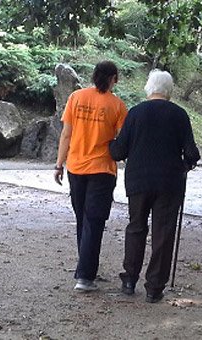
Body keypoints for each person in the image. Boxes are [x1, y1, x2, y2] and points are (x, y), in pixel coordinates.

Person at [109, 70, 200, 303]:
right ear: (169, 90)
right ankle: (154, 287)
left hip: (138, 180)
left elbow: (120, 151)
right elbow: (192, 153)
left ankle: (129, 279)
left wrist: (110, 144)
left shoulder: (136, 113)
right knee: (163, 233)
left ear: (148, 88)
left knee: (136, 227)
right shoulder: (179, 115)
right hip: (169, 183)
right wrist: (184, 166)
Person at [54, 61, 128, 292]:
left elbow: (66, 134)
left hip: (76, 167)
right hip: (102, 170)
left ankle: (85, 269)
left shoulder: (76, 97)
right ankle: (85, 276)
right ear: (113, 78)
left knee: (82, 220)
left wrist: (59, 165)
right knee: (94, 222)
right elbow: (122, 141)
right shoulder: (117, 106)